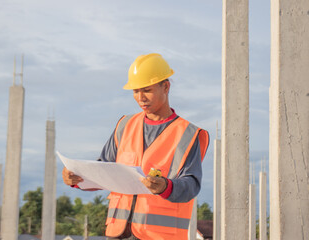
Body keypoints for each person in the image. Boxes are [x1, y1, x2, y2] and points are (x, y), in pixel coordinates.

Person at [62, 53, 209, 240]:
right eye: (135, 91)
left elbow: (191, 185)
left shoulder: (187, 134)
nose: (140, 98)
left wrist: (165, 186)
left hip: (160, 236)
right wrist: (77, 177)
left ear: (166, 86)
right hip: (118, 233)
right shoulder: (125, 126)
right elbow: (102, 171)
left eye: (146, 90)